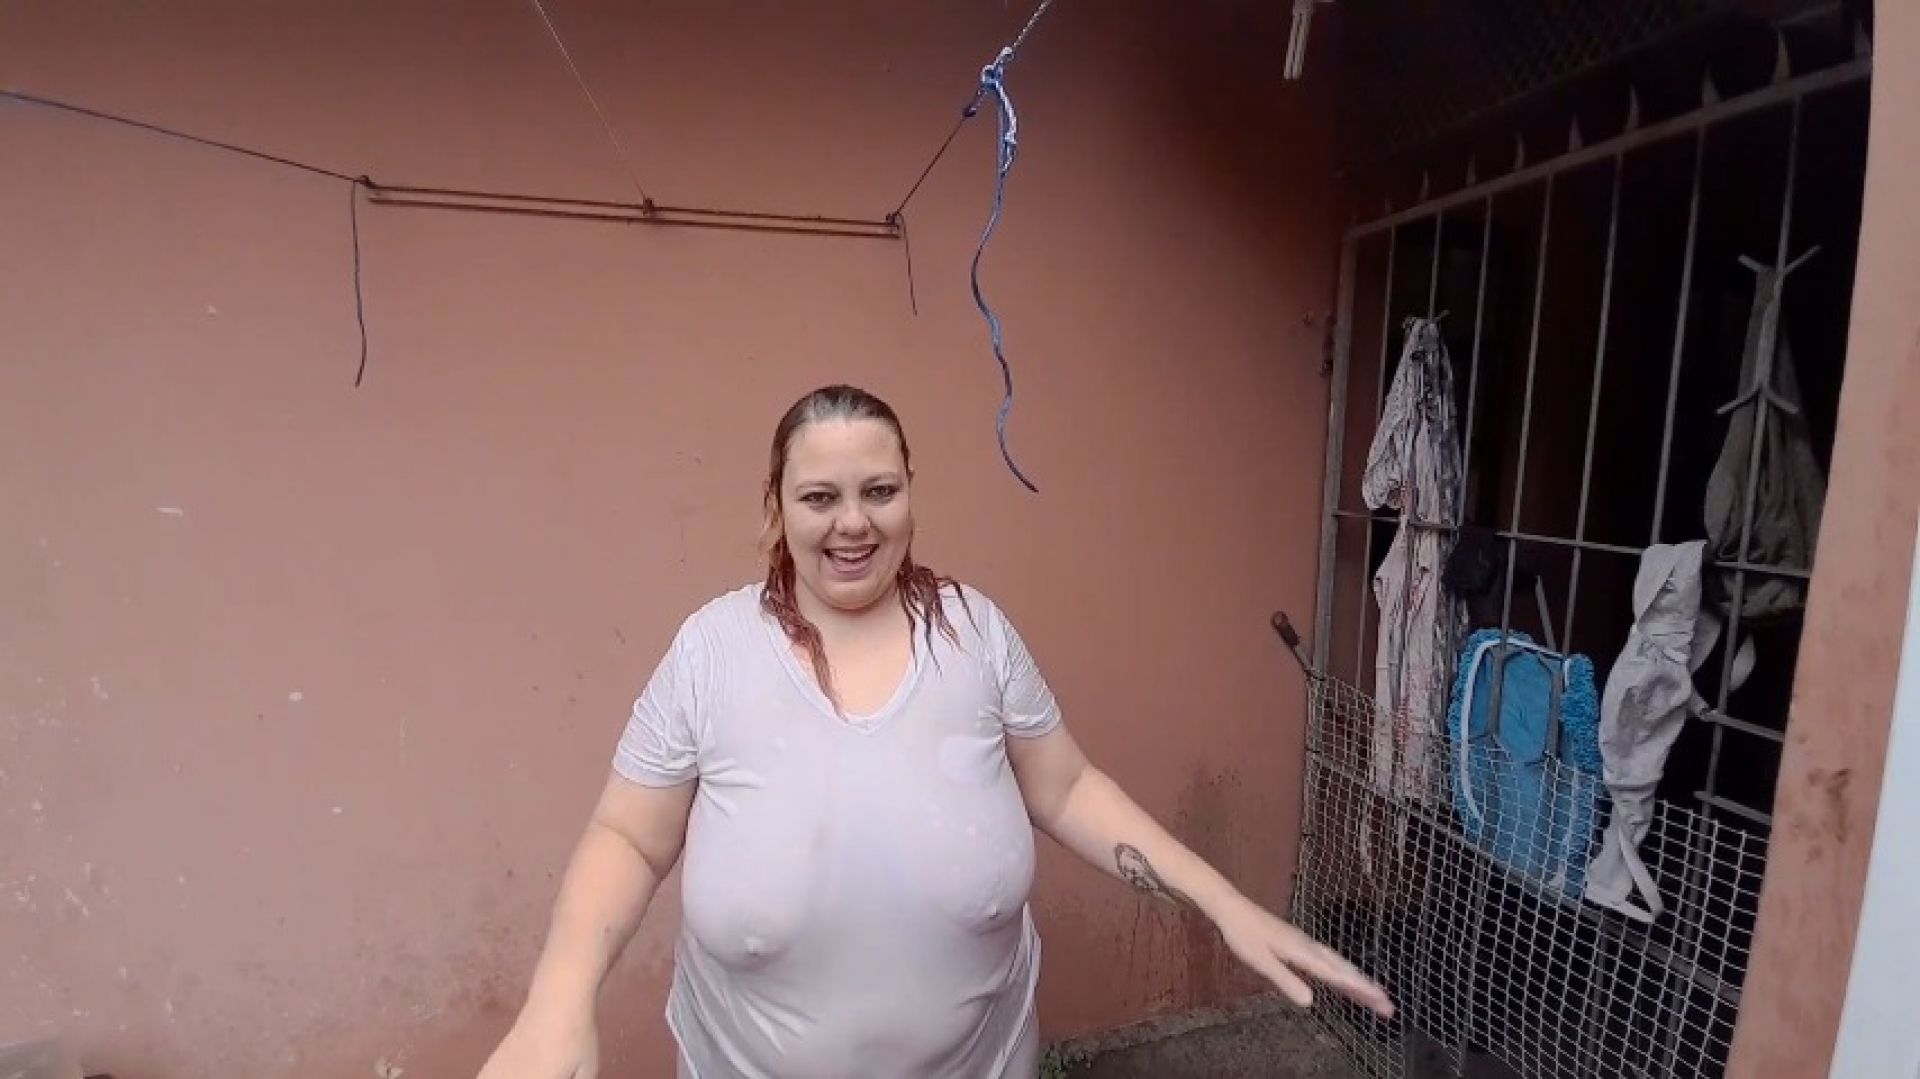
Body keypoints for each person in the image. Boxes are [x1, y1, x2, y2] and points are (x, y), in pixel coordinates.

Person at [476, 385, 1393, 1079]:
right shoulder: (712, 652)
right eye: (819, 496)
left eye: (879, 489)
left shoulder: (976, 635)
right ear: (775, 506)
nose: (852, 523)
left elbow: (1068, 788)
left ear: (912, 493)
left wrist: (1225, 904)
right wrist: (559, 999)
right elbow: (629, 836)